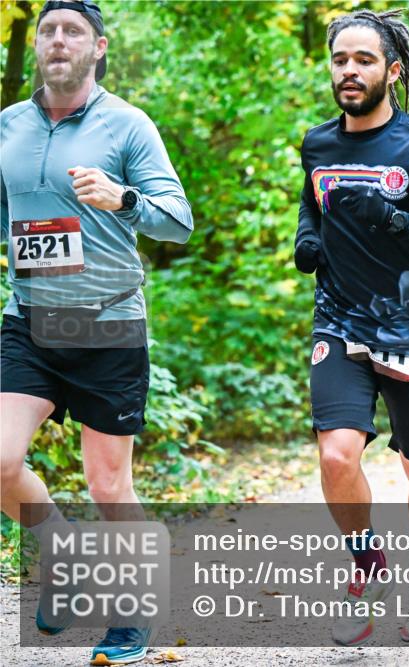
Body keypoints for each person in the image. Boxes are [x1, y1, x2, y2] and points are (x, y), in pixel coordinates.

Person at [1, 1, 193, 663]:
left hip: (110, 322)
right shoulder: (8, 127)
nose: (58, 40)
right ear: (36, 46)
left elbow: (178, 220)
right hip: (30, 321)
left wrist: (123, 198)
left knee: (109, 485)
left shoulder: (128, 125)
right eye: (47, 30)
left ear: (98, 47)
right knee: (0, 459)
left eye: (72, 31)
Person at [294, 8, 409, 646]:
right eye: (341, 59)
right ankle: (366, 569)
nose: (349, 70)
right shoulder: (318, 143)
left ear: (391, 71)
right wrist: (307, 241)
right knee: (337, 454)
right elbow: (310, 209)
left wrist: (392, 220)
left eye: (364, 59)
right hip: (338, 323)